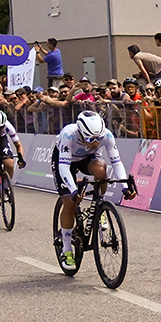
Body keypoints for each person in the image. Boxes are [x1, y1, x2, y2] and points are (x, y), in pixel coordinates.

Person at [52, 111, 137, 268]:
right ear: (81, 133)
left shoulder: (107, 135)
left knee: (101, 171)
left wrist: (124, 188)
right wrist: (73, 191)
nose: (96, 143)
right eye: (91, 139)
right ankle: (67, 250)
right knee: (70, 202)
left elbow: (116, 162)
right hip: (66, 161)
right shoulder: (69, 134)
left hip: (88, 159)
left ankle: (98, 207)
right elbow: (63, 167)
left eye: (98, 138)